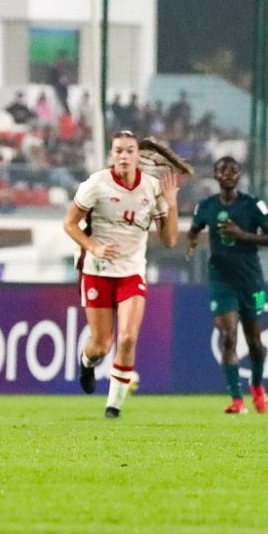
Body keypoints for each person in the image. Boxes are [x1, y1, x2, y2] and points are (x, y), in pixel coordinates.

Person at [62, 131, 182, 418]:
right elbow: (69, 224)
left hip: (131, 271)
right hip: (98, 269)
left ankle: (113, 407)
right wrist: (94, 247)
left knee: (128, 337)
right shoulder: (96, 184)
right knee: (101, 344)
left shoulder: (152, 188)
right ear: (112, 155)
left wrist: (171, 203)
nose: (124, 156)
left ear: (138, 156)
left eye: (129, 151)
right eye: (118, 151)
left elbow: (169, 240)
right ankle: (86, 363)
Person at [185, 156, 268, 415]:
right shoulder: (205, 206)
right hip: (221, 279)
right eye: (222, 170)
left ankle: (257, 384)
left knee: (255, 343)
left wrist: (242, 235)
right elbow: (194, 229)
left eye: (233, 170)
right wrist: (192, 242)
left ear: (239, 175)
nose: (228, 173)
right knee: (228, 336)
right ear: (215, 176)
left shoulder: (253, 205)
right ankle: (237, 400)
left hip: (250, 279)